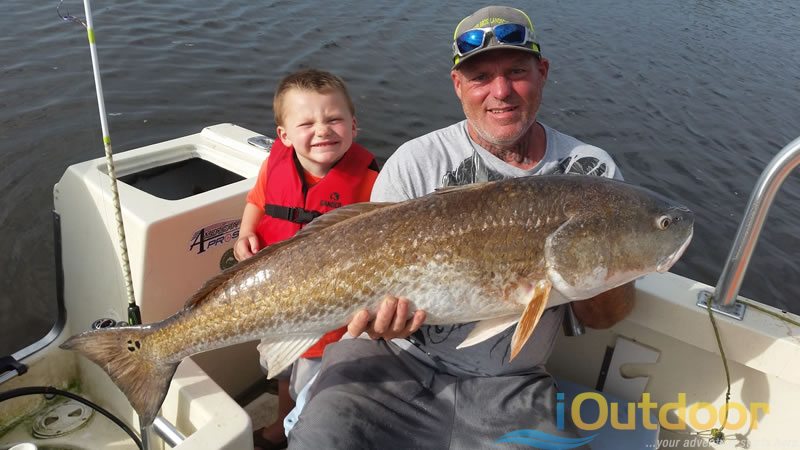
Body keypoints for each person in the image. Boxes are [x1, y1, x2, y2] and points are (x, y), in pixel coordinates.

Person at [287, 6, 635, 449]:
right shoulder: (416, 163)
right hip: (392, 359)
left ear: (542, 72)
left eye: (516, 71)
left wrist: (601, 255)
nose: (501, 91)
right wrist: (380, 323)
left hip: (511, 383)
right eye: (480, 77)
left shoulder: (592, 174)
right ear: (458, 85)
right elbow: (369, 293)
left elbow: (606, 318)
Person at [233, 68, 380, 450]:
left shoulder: (373, 182)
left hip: (329, 312)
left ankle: (299, 432)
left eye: (334, 119)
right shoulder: (275, 165)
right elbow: (257, 201)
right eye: (307, 123)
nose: (323, 130)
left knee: (310, 381)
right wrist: (245, 233)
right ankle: (282, 423)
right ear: (283, 135)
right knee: (281, 370)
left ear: (353, 124)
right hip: (275, 296)